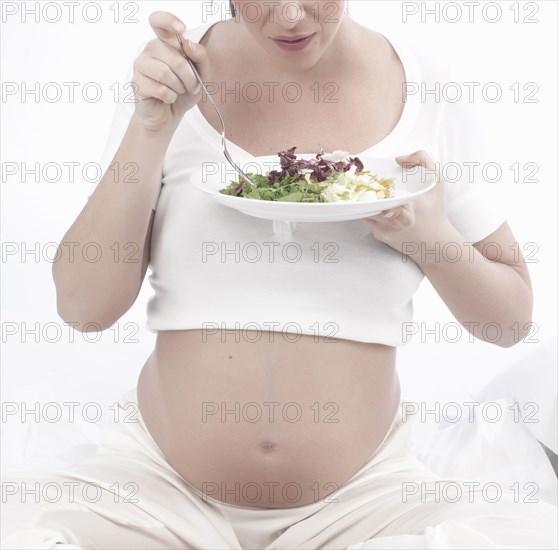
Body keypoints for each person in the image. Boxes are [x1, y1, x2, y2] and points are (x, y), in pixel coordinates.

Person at [2, 1, 557, 548]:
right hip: (155, 489)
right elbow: (82, 307)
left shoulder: (429, 89)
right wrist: (152, 126)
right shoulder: (171, 77)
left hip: (368, 501)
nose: (290, 15)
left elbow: (507, 324)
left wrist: (430, 238)